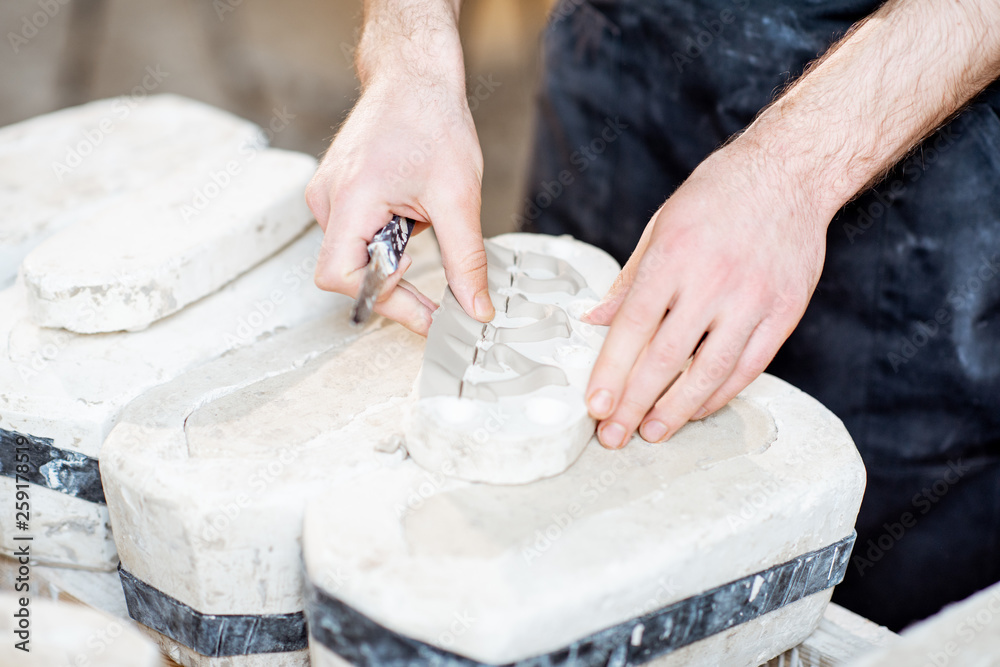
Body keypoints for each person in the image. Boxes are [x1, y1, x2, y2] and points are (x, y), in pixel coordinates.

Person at [306, 0, 1000, 630]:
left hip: (912, 112)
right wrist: (411, 55)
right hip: (623, 51)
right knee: (551, 554)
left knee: (840, 586)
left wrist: (793, 170)